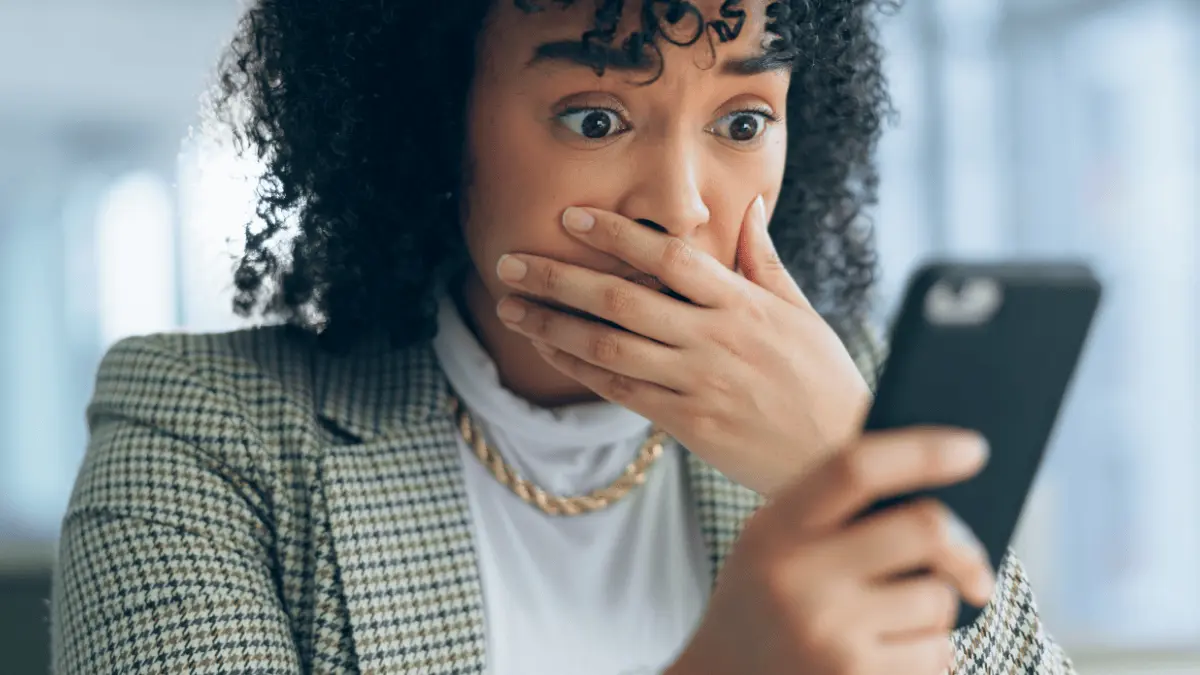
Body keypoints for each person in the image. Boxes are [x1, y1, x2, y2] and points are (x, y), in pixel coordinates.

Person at [51, 1, 1074, 673]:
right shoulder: (194, 429)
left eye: (744, 122)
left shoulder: (864, 402)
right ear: (432, 128)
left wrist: (852, 477)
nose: (680, 207)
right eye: (594, 118)